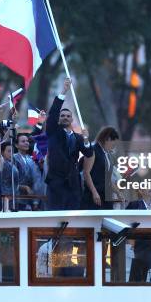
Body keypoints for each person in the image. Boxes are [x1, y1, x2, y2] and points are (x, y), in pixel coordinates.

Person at [45, 78, 93, 210]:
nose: (65, 117)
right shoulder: (53, 132)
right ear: (58, 119)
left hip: (73, 185)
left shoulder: (78, 138)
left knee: (74, 218)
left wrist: (86, 140)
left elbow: (89, 153)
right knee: (55, 219)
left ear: (72, 119)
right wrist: (64, 91)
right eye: (62, 116)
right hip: (56, 184)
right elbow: (53, 112)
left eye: (68, 116)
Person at [81, 126, 120, 210]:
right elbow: (86, 173)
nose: (114, 147)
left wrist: (118, 193)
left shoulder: (108, 155)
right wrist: (94, 192)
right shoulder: (93, 150)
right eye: (113, 143)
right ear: (108, 139)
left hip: (106, 197)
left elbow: (107, 179)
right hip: (94, 196)